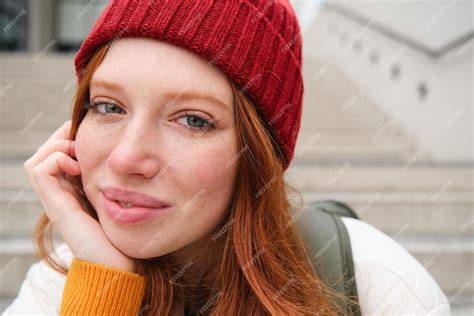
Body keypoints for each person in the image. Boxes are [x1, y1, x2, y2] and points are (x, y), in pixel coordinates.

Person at [4, 0, 451, 315]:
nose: (125, 159)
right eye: (107, 107)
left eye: (193, 120)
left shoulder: (377, 285)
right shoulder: (62, 282)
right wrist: (104, 287)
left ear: (256, 155)